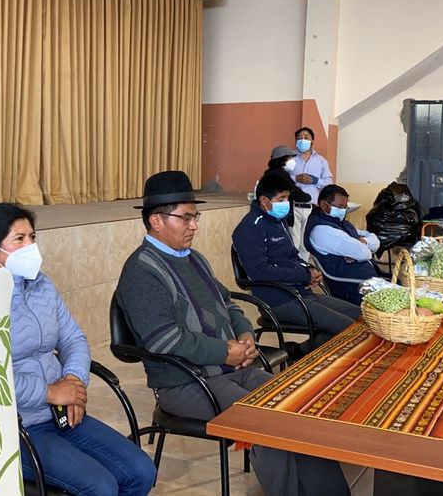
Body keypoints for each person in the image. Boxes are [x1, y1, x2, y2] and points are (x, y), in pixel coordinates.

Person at [115, 170, 350, 496]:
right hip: (186, 382)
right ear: (156, 221)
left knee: (299, 407)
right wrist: (226, 352)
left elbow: (228, 303)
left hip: (231, 368)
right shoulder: (141, 271)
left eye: (195, 217)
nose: (194, 225)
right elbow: (166, 340)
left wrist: (245, 334)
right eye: (186, 218)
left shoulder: (193, 258)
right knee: (266, 423)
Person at [0, 203, 156, 496]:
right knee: (101, 487)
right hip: (11, 428)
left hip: (59, 413)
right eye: (19, 239)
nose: (30, 246)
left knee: (141, 471)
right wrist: (49, 392)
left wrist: (73, 382)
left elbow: (73, 338)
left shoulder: (40, 284)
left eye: (32, 237)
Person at [233, 172, 359, 355]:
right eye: (281, 198)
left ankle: (300, 350)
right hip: (278, 300)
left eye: (287, 197)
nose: (286, 203)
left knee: (361, 316)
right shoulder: (249, 228)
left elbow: (292, 255)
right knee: (348, 328)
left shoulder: (278, 221)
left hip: (301, 292)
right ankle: (303, 353)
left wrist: (309, 269)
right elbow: (259, 271)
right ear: (264, 200)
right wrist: (303, 275)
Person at [304, 185, 379, 305]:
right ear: (324, 205)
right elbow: (364, 253)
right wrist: (360, 247)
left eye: (345, 207)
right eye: (339, 207)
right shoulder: (321, 230)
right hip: (352, 287)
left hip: (368, 280)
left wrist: (362, 243)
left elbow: (375, 240)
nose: (343, 211)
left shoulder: (340, 223)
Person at [288, 127, 334, 261]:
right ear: (296, 141)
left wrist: (316, 181)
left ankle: (303, 268)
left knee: (306, 243)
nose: (303, 140)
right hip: (292, 207)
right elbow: (279, 179)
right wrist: (295, 178)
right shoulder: (289, 159)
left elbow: (329, 184)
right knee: (292, 243)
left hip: (311, 208)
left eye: (306, 137)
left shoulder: (321, 161)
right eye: (299, 138)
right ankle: (293, 268)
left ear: (312, 140)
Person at [259, 145, 313, 229]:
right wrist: (307, 197)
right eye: (289, 158)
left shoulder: (270, 172)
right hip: (281, 214)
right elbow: (294, 191)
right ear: (281, 160)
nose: (292, 161)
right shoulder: (281, 174)